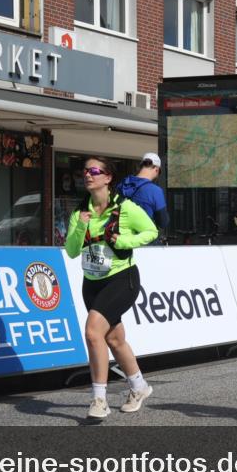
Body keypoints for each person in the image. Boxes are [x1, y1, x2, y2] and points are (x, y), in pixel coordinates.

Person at [65, 157, 159, 419]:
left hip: (122, 279)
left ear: (108, 178)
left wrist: (124, 239)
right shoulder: (78, 213)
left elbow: (151, 231)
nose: (88, 175)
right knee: (114, 339)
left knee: (93, 331)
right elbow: (72, 251)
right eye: (85, 171)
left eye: (94, 171)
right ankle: (139, 386)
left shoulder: (126, 208)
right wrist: (82, 225)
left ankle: (98, 399)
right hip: (92, 282)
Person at [116, 152, 169, 231]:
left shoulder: (122, 185)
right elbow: (163, 222)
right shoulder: (155, 191)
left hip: (121, 236)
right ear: (156, 169)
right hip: (143, 239)